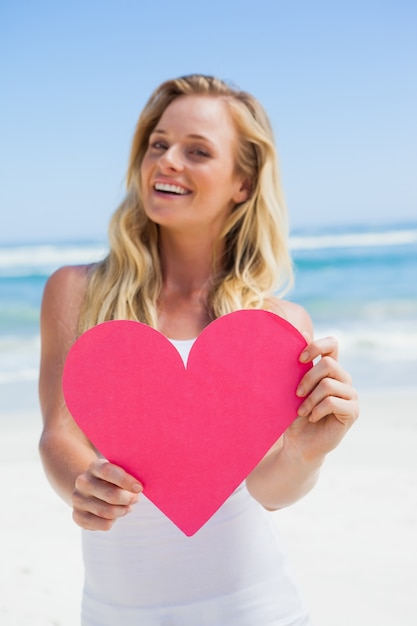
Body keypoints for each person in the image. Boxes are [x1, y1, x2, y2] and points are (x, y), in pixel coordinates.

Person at [39, 74, 359, 626]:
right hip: (116, 613)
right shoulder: (76, 290)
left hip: (255, 609)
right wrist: (81, 484)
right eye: (157, 144)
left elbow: (270, 489)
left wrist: (309, 451)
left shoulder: (276, 325)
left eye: (197, 151)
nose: (167, 161)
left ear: (242, 182)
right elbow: (59, 432)